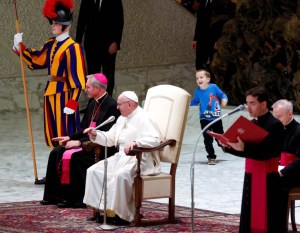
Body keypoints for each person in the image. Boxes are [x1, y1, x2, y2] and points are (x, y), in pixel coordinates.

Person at [13, 0, 86, 149]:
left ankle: (66, 166)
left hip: (65, 94)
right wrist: (19, 47)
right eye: (52, 22)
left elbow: (78, 78)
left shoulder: (73, 47)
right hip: (51, 91)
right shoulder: (51, 43)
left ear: (66, 25)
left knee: (65, 132)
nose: (52, 25)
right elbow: (36, 60)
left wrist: (73, 102)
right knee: (52, 132)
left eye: (56, 23)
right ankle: (56, 165)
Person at [40, 73, 120, 208]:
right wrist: (70, 138)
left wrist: (79, 143)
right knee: (56, 152)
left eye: (87, 87)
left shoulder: (111, 106)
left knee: (75, 157)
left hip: (100, 148)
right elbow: (84, 128)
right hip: (86, 142)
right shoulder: (92, 103)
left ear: (97, 88)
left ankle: (75, 199)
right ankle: (54, 196)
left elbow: (105, 134)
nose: (85, 89)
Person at [83, 91, 161, 225]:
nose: (117, 107)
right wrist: (96, 134)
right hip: (121, 157)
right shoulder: (121, 118)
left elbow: (156, 140)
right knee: (94, 171)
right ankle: (105, 211)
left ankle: (123, 215)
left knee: (120, 176)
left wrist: (137, 143)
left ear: (129, 104)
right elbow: (110, 138)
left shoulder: (144, 118)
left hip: (140, 158)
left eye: (119, 104)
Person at [221, 87, 286, 233]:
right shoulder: (252, 123)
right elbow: (246, 152)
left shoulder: (275, 125)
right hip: (251, 176)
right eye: (247, 103)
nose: (248, 108)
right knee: (249, 218)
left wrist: (244, 149)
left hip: (268, 180)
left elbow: (269, 152)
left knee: (268, 220)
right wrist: (227, 146)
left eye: (253, 103)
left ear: (263, 104)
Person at [76, 0, 124, 96]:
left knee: (108, 74)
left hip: (109, 46)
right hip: (91, 45)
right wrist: (78, 41)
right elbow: (81, 20)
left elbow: (119, 21)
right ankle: (94, 105)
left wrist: (116, 42)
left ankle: (108, 103)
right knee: (92, 76)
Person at [272, 99, 300, 231]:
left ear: (289, 114)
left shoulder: (299, 131)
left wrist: (282, 172)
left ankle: (278, 227)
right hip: (279, 170)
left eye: (279, 116)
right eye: (274, 116)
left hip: (295, 174)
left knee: (274, 185)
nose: (276, 120)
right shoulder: (275, 130)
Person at [190, 69, 228, 165]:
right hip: (204, 119)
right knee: (207, 139)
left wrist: (224, 99)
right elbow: (195, 101)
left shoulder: (213, 87)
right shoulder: (197, 91)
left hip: (216, 118)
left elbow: (222, 95)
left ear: (208, 79)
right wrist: (186, 103)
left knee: (220, 137)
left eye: (201, 77)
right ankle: (211, 157)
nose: (199, 79)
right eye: (197, 78)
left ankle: (223, 145)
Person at [192, 0, 212, 70]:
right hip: (200, 36)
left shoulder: (217, 3)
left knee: (208, 61)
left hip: (211, 37)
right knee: (199, 60)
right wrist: (195, 39)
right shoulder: (202, 2)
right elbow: (198, 22)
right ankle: (199, 77)